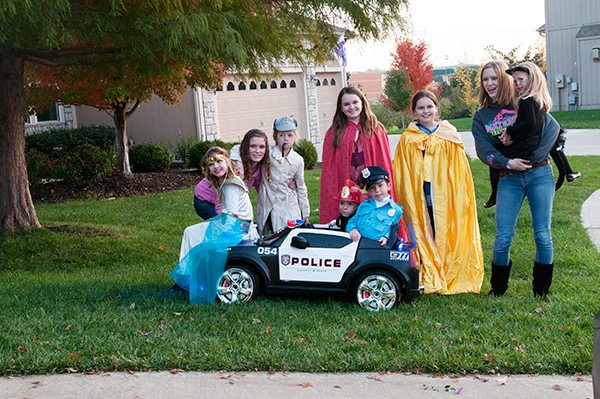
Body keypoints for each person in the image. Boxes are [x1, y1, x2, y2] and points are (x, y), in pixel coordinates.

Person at [472, 60, 558, 297]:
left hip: (539, 174)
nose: (490, 83)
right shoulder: (481, 117)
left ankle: (541, 291)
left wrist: (532, 158)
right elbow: (483, 150)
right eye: (485, 79)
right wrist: (508, 162)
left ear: (505, 79)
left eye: (494, 78)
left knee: (542, 234)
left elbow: (553, 129)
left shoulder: (524, 100)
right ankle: (498, 289)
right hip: (508, 177)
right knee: (502, 238)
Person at [393, 90, 484, 295]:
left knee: (446, 228)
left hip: (446, 194)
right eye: (421, 108)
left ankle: (449, 271)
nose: (426, 111)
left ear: (436, 108)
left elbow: (460, 169)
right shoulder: (408, 139)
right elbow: (402, 170)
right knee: (426, 229)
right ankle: (429, 271)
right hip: (420, 194)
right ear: (414, 112)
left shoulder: (448, 134)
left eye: (429, 106)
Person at [482, 62, 580, 207]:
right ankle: (566, 173)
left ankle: (495, 194)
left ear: (532, 79)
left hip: (527, 150)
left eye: (521, 80)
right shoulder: (538, 100)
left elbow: (529, 124)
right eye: (515, 81)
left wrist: (509, 131)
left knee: (496, 154)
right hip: (531, 148)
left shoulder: (526, 100)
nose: (517, 84)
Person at [171, 147, 259, 303]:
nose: (216, 166)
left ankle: (186, 282)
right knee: (191, 232)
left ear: (227, 161)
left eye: (219, 161)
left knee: (192, 234)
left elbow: (231, 216)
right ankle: (188, 280)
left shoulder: (230, 184)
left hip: (238, 229)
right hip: (235, 225)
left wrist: (214, 231)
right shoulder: (225, 182)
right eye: (211, 164)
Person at [319, 86, 394, 223]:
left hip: (372, 187)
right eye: (346, 104)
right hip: (346, 190)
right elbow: (330, 169)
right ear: (341, 107)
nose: (351, 107)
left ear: (362, 103)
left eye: (355, 102)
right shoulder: (334, 133)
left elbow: (384, 160)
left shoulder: (376, 128)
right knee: (349, 224)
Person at [192, 129, 271, 220]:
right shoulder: (234, 166)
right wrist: (222, 218)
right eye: (253, 146)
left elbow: (261, 191)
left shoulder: (260, 168)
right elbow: (221, 195)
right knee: (221, 226)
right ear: (245, 147)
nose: (257, 151)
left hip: (226, 197)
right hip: (204, 199)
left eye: (261, 147)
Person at [256, 116, 310, 235]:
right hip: (267, 199)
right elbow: (246, 150)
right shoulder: (267, 153)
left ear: (295, 136)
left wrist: (305, 212)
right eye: (281, 135)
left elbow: (301, 187)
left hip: (287, 202)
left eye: (290, 135)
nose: (286, 139)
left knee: (287, 234)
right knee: (262, 235)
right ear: (275, 136)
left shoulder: (297, 160)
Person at [346, 166, 403, 247]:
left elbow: (393, 229)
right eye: (372, 188)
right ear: (368, 192)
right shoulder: (364, 205)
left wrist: (386, 237)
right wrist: (352, 229)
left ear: (389, 185)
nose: (377, 190)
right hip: (356, 245)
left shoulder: (396, 210)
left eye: (380, 185)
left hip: (376, 248)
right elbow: (352, 221)